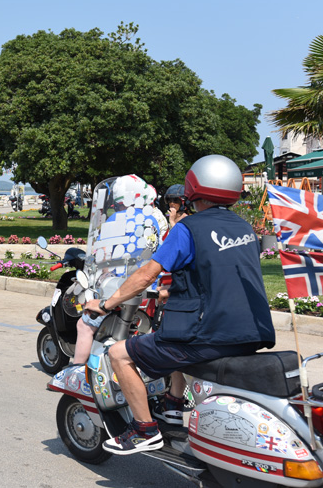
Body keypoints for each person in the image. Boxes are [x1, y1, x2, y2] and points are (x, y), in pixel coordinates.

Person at [83, 155, 276, 456]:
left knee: (119, 354)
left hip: (209, 335)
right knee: (174, 340)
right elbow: (218, 274)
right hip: (252, 333)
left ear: (192, 188)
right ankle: (173, 406)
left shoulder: (189, 229)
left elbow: (148, 272)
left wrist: (107, 303)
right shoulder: (244, 228)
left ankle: (143, 430)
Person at [73, 175, 162, 365]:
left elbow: (103, 256)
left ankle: (76, 370)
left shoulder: (116, 219)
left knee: (85, 324)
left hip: (119, 288)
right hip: (147, 289)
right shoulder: (151, 221)